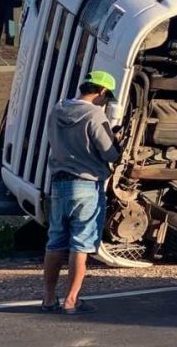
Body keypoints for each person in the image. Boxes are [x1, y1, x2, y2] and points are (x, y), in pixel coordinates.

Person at [41, 71, 122, 315]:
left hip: (58, 183)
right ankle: (71, 300)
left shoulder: (57, 110)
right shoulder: (95, 114)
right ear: (102, 92)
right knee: (81, 245)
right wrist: (115, 140)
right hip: (86, 185)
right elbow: (110, 154)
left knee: (55, 242)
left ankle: (47, 299)